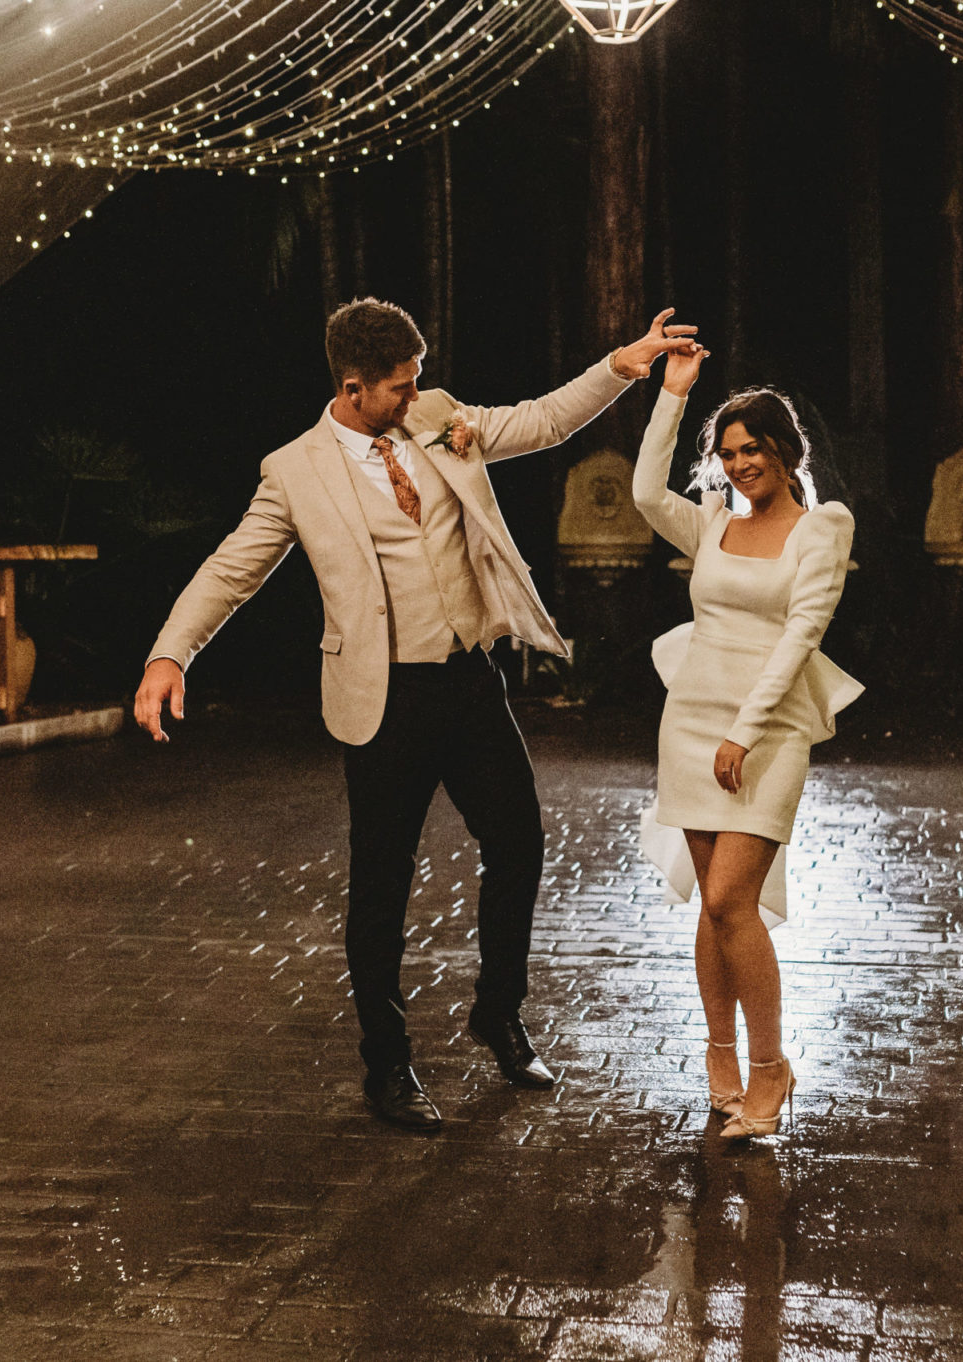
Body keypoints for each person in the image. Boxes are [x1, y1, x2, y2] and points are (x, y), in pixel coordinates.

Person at [135, 298, 699, 1134]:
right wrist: (169, 655)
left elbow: (542, 420)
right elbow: (231, 571)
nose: (415, 397)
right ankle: (388, 1065)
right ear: (353, 389)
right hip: (383, 700)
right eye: (398, 387)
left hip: (468, 681)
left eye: (416, 381)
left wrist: (623, 364)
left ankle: (498, 1014)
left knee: (520, 843)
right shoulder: (294, 471)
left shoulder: (435, 417)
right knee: (381, 887)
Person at [632, 344, 860, 1140]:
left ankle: (771, 1067)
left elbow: (801, 636)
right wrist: (673, 393)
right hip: (690, 721)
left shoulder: (823, 527)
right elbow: (643, 490)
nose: (739, 465)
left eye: (752, 449)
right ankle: (720, 1057)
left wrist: (743, 732)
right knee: (714, 907)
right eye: (727, 454)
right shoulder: (712, 523)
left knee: (733, 899)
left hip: (766, 730)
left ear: (785, 450)